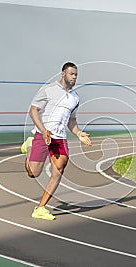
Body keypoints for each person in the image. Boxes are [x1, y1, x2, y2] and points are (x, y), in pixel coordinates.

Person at [21, 62, 92, 220]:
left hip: (60, 138)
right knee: (33, 173)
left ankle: (40, 208)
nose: (74, 77)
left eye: (76, 75)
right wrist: (43, 130)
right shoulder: (49, 90)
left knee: (58, 170)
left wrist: (79, 133)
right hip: (42, 134)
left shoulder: (75, 98)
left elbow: (71, 121)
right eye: (71, 74)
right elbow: (33, 111)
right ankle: (30, 145)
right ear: (63, 74)